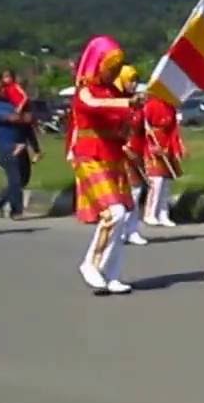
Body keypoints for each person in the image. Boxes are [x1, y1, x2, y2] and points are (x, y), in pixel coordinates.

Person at [69, 35, 141, 294]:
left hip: (113, 158)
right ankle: (91, 262)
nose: (113, 71)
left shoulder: (114, 91)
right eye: (109, 65)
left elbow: (121, 126)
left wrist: (132, 114)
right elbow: (94, 106)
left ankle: (112, 274)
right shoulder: (85, 90)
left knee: (123, 216)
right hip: (90, 158)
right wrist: (126, 103)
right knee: (114, 214)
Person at [0, 79, 41, 220]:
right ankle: (16, 211)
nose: (1, 91)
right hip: (6, 146)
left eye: (3, 88)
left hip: (21, 145)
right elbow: (12, 119)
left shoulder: (13, 102)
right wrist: (24, 117)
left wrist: (36, 148)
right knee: (15, 179)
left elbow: (28, 126)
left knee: (24, 179)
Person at [115, 65, 149, 246]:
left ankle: (132, 229)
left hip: (138, 150)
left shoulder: (138, 104)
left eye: (136, 80)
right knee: (127, 192)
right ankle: (121, 228)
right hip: (121, 152)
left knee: (137, 191)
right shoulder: (117, 103)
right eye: (130, 80)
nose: (134, 84)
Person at [142, 93, 185, 228]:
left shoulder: (171, 107)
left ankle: (163, 214)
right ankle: (150, 213)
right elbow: (142, 127)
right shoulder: (149, 105)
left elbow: (174, 131)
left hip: (167, 147)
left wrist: (176, 148)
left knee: (166, 184)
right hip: (153, 146)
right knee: (156, 182)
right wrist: (151, 145)